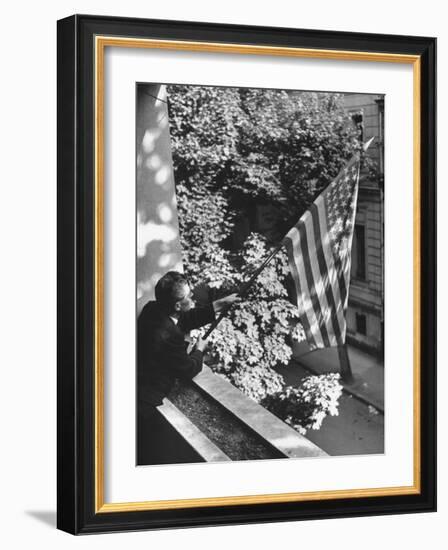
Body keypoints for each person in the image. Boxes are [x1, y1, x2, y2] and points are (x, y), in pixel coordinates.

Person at [137, 270, 239, 464]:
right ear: (177, 304)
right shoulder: (170, 337)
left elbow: (184, 319)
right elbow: (188, 369)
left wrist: (219, 304)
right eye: (189, 295)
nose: (193, 296)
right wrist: (199, 350)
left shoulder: (153, 309)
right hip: (144, 405)